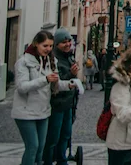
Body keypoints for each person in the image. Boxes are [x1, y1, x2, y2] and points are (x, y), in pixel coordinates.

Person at [12, 31, 74, 165]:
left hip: (43, 111)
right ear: (36, 44)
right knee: (32, 146)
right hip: (25, 112)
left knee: (41, 148)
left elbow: (54, 86)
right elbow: (21, 87)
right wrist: (45, 79)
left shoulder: (51, 61)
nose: (48, 49)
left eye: (51, 46)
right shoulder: (23, 62)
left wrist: (69, 85)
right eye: (45, 46)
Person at [43, 28, 78, 165]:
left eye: (69, 41)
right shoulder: (54, 59)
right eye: (64, 42)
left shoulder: (69, 56)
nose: (68, 44)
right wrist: (71, 74)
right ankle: (49, 160)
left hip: (68, 103)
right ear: (56, 44)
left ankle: (62, 159)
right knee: (53, 136)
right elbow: (56, 82)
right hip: (56, 104)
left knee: (65, 134)